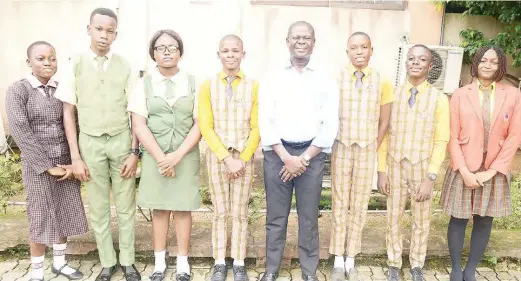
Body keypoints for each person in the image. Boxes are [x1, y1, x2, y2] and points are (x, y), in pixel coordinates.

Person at [54, 7, 141, 281]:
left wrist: (134, 152)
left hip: (121, 141)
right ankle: (107, 261)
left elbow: (136, 111)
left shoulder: (126, 65)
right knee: (99, 206)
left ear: (116, 34)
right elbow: (68, 112)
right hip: (89, 143)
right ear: (89, 29)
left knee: (126, 205)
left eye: (110, 31)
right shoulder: (75, 63)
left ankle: (128, 261)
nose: (104, 35)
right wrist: (76, 157)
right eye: (99, 29)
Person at [259, 21, 339, 281]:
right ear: (287, 41)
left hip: (311, 157)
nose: (301, 41)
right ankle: (271, 270)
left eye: (306, 37)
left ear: (314, 43)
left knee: (308, 218)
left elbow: (330, 122)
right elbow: (264, 118)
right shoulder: (273, 75)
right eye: (296, 37)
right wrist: (285, 157)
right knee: (276, 216)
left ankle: (309, 272)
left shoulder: (325, 78)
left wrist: (303, 158)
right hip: (277, 155)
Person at [5, 41, 89, 281]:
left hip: (65, 161)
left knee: (64, 210)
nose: (47, 63)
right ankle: (37, 271)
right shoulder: (18, 90)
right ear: (29, 62)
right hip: (38, 166)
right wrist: (47, 166)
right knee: (40, 214)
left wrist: (75, 160)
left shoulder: (61, 89)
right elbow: (20, 130)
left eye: (52, 58)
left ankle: (60, 263)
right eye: (41, 58)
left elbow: (73, 123)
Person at [440, 46, 521, 281]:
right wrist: (463, 170)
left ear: (500, 66)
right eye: (483, 60)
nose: (488, 65)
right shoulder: (460, 94)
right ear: (476, 64)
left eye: (494, 62)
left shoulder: (513, 94)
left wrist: (494, 170)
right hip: (464, 166)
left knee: (485, 220)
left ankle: (470, 271)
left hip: (494, 169)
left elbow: (515, 136)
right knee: (459, 218)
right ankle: (456, 269)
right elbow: (452, 136)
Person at [128, 29, 201, 281]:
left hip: (185, 155)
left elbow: (200, 124)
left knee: (182, 209)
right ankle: (159, 263)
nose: (167, 51)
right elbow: (139, 125)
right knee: (159, 209)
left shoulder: (193, 82)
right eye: (161, 47)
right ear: (153, 54)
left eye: (172, 47)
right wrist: (161, 158)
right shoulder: (144, 84)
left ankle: (182, 263)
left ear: (180, 52)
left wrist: (176, 156)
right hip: (154, 155)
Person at [377, 44, 450, 281]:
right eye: (411, 59)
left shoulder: (438, 99)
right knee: (393, 216)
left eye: (421, 60)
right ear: (405, 63)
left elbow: (441, 139)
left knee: (421, 218)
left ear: (430, 66)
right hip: (394, 164)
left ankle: (417, 263)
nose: (415, 63)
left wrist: (431, 177)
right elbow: (384, 133)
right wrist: (381, 171)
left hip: (422, 166)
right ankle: (394, 262)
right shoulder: (393, 95)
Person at [329, 31, 393, 281]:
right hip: (341, 147)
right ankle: (336, 258)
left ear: (371, 50)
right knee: (339, 202)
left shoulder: (382, 80)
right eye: (354, 48)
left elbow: (385, 121)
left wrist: (372, 147)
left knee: (359, 204)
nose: (359, 52)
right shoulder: (336, 78)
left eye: (363, 47)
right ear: (347, 52)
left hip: (368, 149)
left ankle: (351, 257)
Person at [198, 34, 260, 281]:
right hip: (218, 158)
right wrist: (226, 158)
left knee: (240, 211)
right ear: (219, 54)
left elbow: (256, 127)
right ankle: (219, 262)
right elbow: (206, 126)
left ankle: (239, 262)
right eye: (226, 51)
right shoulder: (207, 86)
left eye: (236, 51)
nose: (231, 55)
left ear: (243, 54)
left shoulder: (254, 85)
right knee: (221, 211)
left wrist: (242, 159)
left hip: (244, 159)